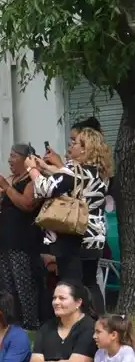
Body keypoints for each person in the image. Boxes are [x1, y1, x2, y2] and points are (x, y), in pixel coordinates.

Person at [27, 126, 112, 317]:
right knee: (90, 283)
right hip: (93, 237)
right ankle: (99, 326)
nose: (70, 146)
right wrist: (46, 167)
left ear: (85, 149)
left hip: (73, 236)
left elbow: (44, 188)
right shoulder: (100, 173)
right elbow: (67, 179)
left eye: (75, 143)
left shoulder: (74, 169)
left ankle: (76, 328)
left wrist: (32, 168)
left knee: (71, 285)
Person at [0, 144, 44, 329]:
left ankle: (30, 324)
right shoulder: (12, 179)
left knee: (24, 286)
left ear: (26, 158)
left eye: (13, 156)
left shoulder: (32, 180)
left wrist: (6, 186)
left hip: (23, 243)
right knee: (9, 287)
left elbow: (27, 204)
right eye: (9, 156)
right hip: (5, 243)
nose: (10, 160)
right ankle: (14, 322)